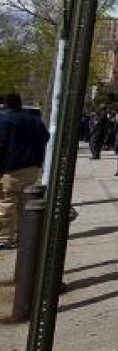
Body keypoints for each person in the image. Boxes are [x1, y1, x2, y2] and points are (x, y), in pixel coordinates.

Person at [0, 93, 49, 249]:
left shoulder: (5, 120)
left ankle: (5, 237)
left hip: (11, 169)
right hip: (33, 168)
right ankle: (24, 234)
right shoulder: (35, 121)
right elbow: (46, 137)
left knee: (7, 203)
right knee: (24, 203)